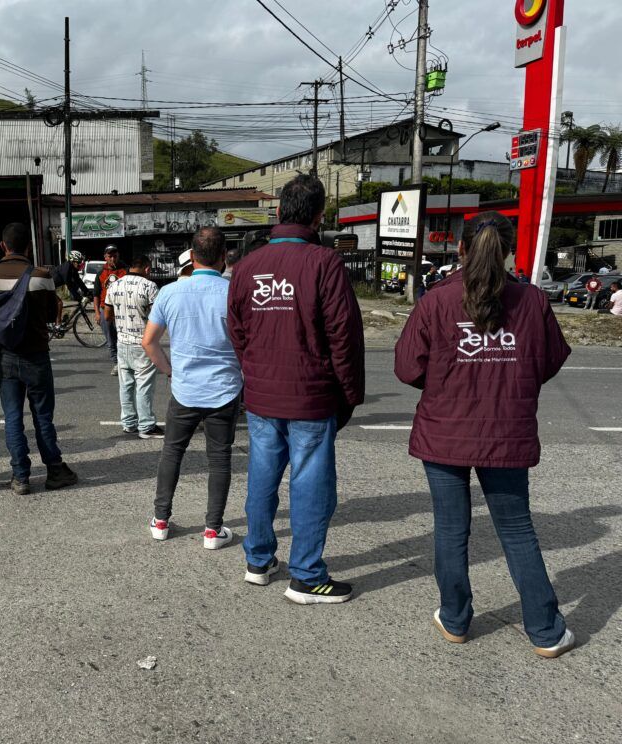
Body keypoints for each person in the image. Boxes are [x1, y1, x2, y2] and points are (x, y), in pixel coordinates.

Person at [394, 212, 575, 658]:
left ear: (459, 249)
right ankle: (545, 631)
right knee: (517, 530)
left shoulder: (436, 301)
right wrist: (511, 382)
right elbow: (548, 360)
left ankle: (455, 618)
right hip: (506, 431)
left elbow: (406, 366)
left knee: (451, 528)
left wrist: (443, 385)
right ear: (508, 251)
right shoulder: (532, 302)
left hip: (445, 431)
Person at [228, 174, 365, 600]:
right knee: (311, 482)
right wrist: (349, 393)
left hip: (263, 394)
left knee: (263, 474)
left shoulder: (247, 266)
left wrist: (254, 369)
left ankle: (259, 558)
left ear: (279, 212)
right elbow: (344, 337)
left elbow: (236, 329)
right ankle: (306, 574)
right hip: (310, 393)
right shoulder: (324, 264)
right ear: (319, 215)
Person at [143, 226, 243, 549]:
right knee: (219, 459)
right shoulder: (233, 294)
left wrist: (170, 371)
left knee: (172, 451)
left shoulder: (170, 293)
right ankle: (212, 531)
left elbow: (149, 342)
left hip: (184, 389)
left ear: (192, 254)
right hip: (224, 391)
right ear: (223, 256)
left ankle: (160, 521)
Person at [0, 223, 78, 495]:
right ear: (28, 247)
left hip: (7, 356)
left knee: (12, 417)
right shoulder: (41, 275)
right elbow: (49, 315)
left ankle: (20, 476)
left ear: (3, 245)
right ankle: (55, 470)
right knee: (43, 417)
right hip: (36, 355)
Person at [104, 254, 161, 439]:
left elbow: (106, 315)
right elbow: (156, 317)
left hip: (122, 342)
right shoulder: (150, 286)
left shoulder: (115, 285)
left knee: (125, 385)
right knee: (143, 385)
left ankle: (128, 423)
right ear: (146, 268)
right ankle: (146, 426)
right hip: (143, 344)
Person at [94, 245, 127, 375]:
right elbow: (96, 294)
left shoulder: (126, 270)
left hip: (123, 310)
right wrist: (97, 313)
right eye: (110, 256)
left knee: (123, 338)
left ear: (118, 256)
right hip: (105, 310)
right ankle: (116, 363)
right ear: (105, 257)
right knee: (111, 339)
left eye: (115, 255)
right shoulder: (101, 273)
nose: (112, 258)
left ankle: (125, 363)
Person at [52, 250, 91, 325]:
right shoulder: (66, 268)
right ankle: (58, 324)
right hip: (47, 287)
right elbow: (69, 285)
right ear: (73, 261)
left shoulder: (73, 268)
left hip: (52, 287)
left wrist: (87, 292)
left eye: (80, 262)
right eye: (78, 262)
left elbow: (78, 281)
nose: (80, 264)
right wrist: (79, 298)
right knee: (59, 303)